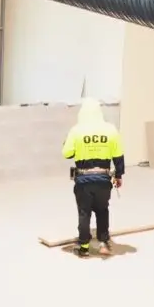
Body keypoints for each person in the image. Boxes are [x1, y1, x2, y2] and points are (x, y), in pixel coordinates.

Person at [61, 98, 125, 257]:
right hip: (103, 180)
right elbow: (118, 155)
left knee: (84, 212)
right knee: (102, 210)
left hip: (83, 180)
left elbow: (66, 153)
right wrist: (119, 175)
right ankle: (104, 243)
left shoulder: (76, 130)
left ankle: (84, 248)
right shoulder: (110, 129)